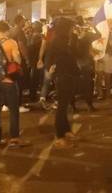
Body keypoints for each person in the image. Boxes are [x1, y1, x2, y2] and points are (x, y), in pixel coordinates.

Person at [0, 21, 29, 148]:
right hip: (8, 81)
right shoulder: (11, 42)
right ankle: (14, 139)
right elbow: (17, 59)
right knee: (13, 111)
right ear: (7, 30)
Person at [47, 18, 82, 149]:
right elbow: (53, 57)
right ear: (65, 28)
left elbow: (76, 54)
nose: (72, 30)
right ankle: (60, 136)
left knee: (65, 105)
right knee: (61, 107)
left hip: (69, 75)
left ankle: (66, 131)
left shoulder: (66, 40)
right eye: (70, 28)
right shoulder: (58, 41)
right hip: (63, 76)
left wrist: (75, 39)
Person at [10, 15, 30, 112]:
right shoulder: (19, 31)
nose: (25, 22)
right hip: (19, 60)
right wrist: (26, 58)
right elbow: (21, 45)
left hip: (11, 60)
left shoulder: (11, 30)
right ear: (20, 21)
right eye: (24, 20)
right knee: (19, 83)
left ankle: (8, 104)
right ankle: (18, 105)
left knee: (12, 82)